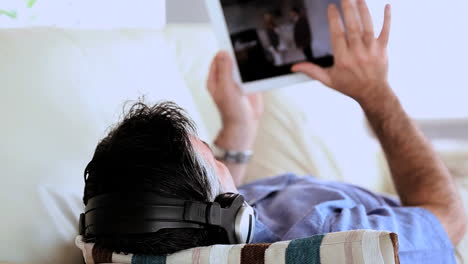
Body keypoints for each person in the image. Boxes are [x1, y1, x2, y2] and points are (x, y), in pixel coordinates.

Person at [80, 0, 466, 262]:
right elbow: (449, 218)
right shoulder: (334, 236)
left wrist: (237, 134)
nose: (220, 159)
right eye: (214, 159)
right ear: (230, 217)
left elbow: (197, 208)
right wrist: (375, 94)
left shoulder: (160, 232)